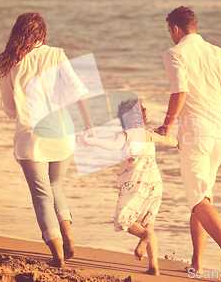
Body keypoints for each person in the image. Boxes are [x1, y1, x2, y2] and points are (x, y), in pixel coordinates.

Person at [0, 12, 95, 268]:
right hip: (62, 134)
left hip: (31, 138)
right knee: (55, 187)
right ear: (42, 32)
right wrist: (88, 125)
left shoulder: (8, 61)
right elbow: (79, 91)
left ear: (17, 32)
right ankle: (67, 233)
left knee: (42, 197)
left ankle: (57, 254)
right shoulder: (56, 54)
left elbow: (10, 109)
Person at [154, 6, 221, 281]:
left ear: (176, 29)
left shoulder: (175, 53)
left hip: (195, 135)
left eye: (169, 32)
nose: (170, 37)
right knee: (202, 198)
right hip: (219, 134)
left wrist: (166, 127)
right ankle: (197, 263)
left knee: (198, 199)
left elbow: (180, 91)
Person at [76, 99, 177, 276]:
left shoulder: (125, 135)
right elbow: (171, 142)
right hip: (154, 184)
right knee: (148, 224)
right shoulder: (149, 134)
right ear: (142, 117)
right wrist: (177, 139)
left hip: (135, 183)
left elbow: (113, 146)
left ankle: (143, 237)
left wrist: (92, 141)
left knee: (124, 220)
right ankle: (154, 266)